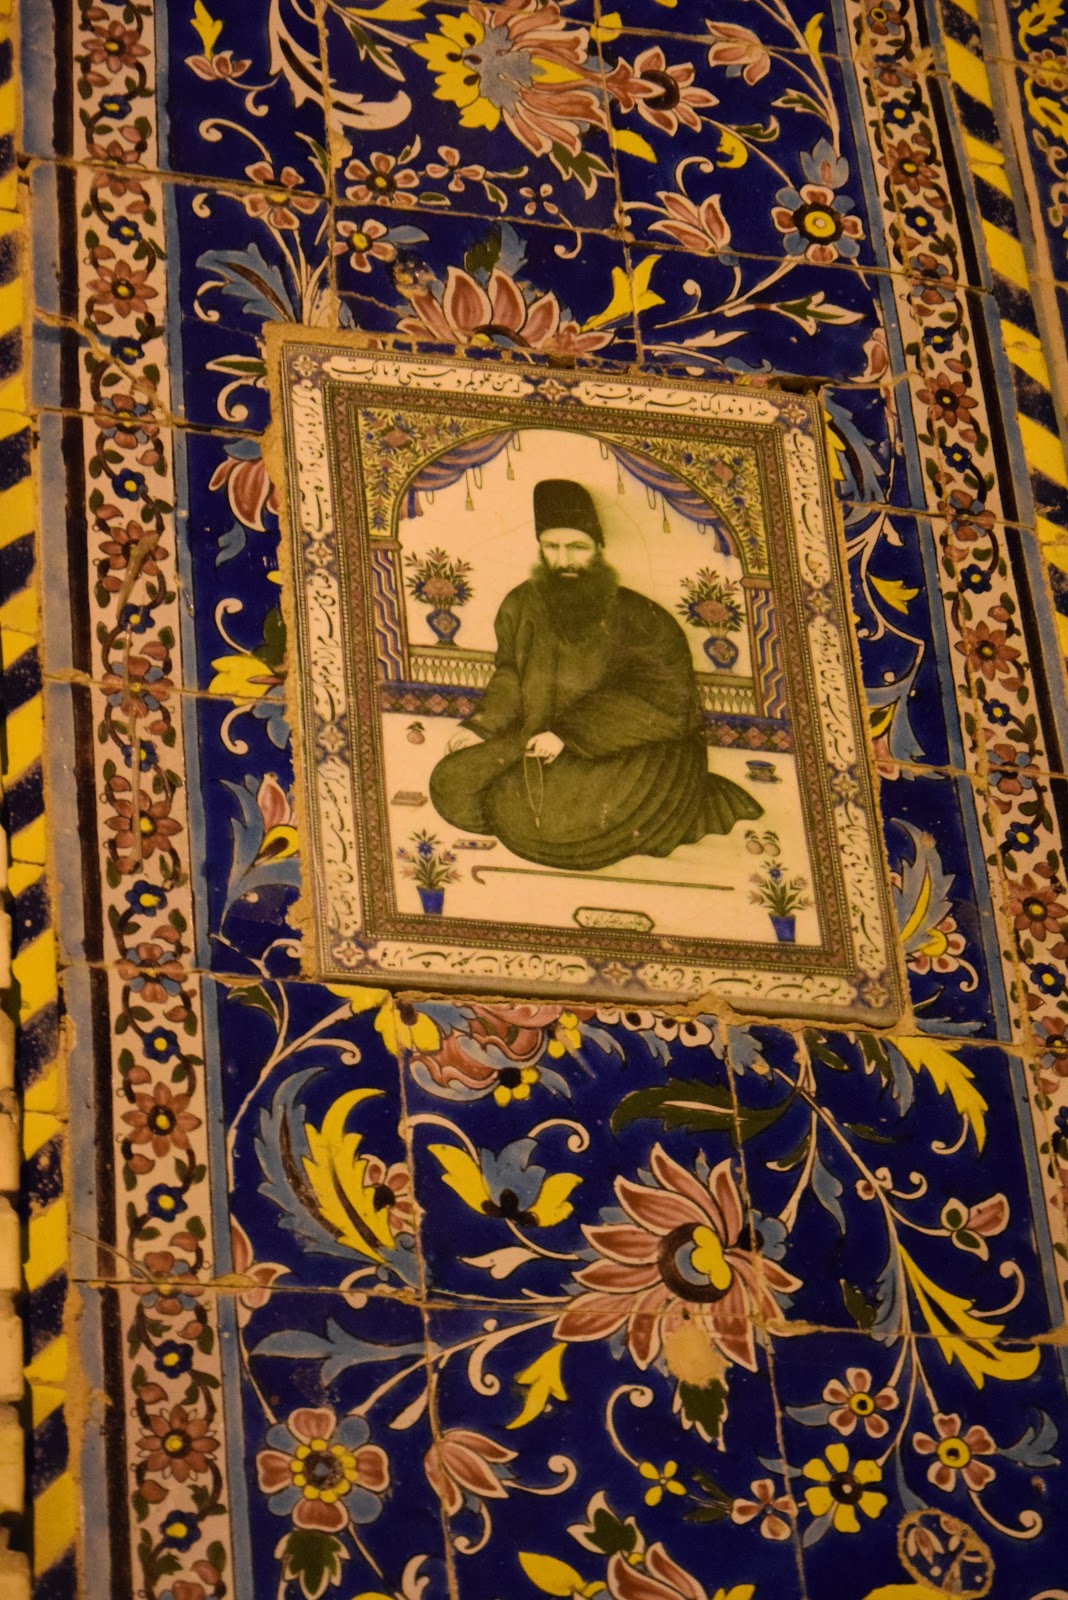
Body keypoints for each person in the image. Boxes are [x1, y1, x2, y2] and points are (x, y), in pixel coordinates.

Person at [429, 478, 763, 871]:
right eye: (551, 547)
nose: (564, 560)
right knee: (451, 782)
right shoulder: (520, 604)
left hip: (630, 750)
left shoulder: (641, 617)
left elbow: (664, 704)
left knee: (530, 816)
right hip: (538, 735)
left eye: (577, 547)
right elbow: (509, 675)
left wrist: (569, 734)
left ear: (598, 548)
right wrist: (480, 727)